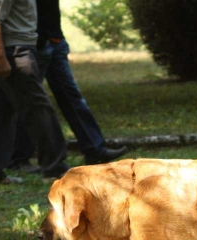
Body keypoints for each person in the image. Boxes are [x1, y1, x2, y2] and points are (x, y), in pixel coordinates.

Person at [9, 0, 127, 171]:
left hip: (55, 42)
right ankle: (18, 158)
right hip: (36, 44)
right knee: (33, 102)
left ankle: (95, 150)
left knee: (72, 97)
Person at [0, 0, 70, 184]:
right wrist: (0, 58)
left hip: (14, 48)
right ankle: (55, 169)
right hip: (12, 52)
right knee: (39, 109)